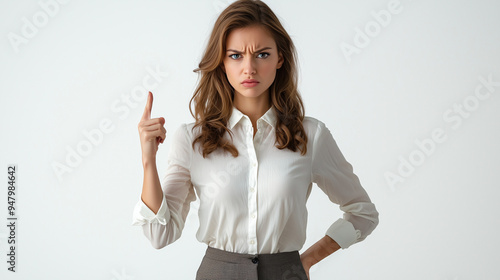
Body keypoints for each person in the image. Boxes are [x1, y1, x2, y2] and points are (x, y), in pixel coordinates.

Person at [132, 0, 379, 279]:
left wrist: (307, 259)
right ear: (222, 62)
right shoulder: (192, 140)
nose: (249, 68)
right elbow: (159, 235)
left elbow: (363, 213)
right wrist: (148, 161)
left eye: (262, 54)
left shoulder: (310, 136)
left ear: (280, 58)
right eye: (235, 56)